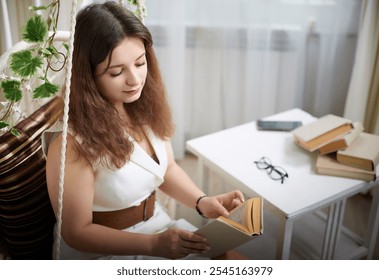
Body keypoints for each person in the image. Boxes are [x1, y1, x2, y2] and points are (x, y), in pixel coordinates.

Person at [43, 1, 245, 260]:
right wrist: (153, 246)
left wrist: (201, 201)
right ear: (88, 77)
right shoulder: (71, 142)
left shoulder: (142, 107)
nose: (135, 80)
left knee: (234, 260)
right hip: (103, 250)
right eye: (116, 72)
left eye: (140, 63)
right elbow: (75, 232)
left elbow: (167, 168)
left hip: (156, 225)